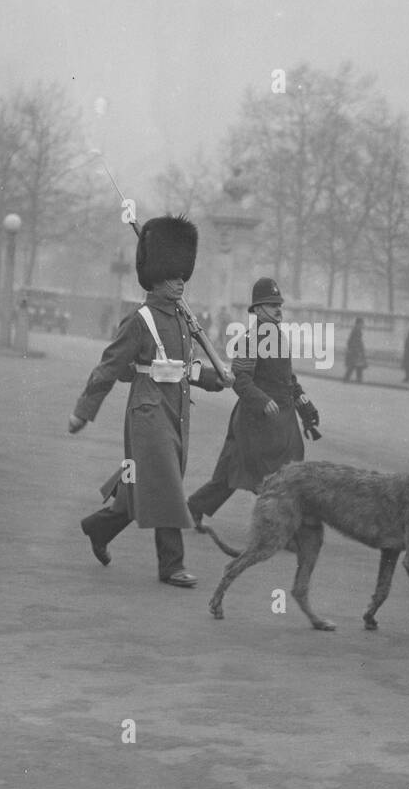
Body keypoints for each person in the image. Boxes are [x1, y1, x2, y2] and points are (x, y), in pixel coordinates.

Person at [69, 215, 224, 588]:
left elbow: (181, 369)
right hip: (147, 413)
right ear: (155, 278)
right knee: (166, 483)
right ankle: (171, 564)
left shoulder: (183, 321)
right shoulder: (139, 320)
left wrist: (214, 379)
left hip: (176, 413)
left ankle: (100, 528)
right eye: (173, 276)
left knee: (144, 483)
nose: (180, 282)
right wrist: (83, 411)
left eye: (183, 276)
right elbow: (110, 368)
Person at [188, 277, 320, 528]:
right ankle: (282, 525)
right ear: (258, 310)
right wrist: (262, 400)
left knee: (278, 470)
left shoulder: (278, 336)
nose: (278, 309)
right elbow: (240, 379)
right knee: (252, 472)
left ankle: (198, 506)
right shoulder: (251, 339)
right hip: (257, 420)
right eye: (272, 305)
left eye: (279, 304)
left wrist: (304, 404)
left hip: (281, 420)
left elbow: (287, 378)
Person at [343, 316, 367, 382]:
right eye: (362, 323)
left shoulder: (355, 330)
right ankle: (353, 378)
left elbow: (350, 341)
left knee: (356, 365)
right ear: (358, 323)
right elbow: (355, 341)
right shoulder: (357, 330)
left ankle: (354, 378)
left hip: (355, 351)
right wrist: (358, 350)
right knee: (355, 365)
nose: (362, 325)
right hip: (356, 351)